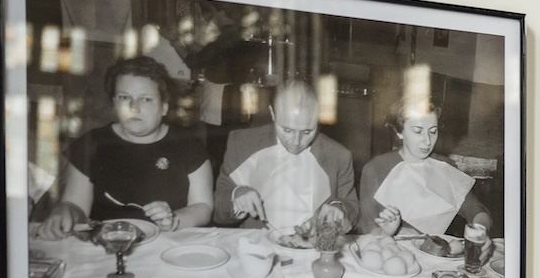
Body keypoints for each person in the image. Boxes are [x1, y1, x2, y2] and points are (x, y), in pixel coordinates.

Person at [39, 55, 214, 237]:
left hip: (169, 244)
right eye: (124, 97)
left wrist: (175, 220)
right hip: (106, 244)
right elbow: (75, 205)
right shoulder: (91, 143)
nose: (133, 108)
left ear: (163, 107)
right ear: (115, 104)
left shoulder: (189, 146)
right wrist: (64, 211)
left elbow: (203, 206)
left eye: (146, 99)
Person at [211, 80, 356, 236]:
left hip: (313, 249)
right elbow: (218, 212)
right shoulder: (242, 143)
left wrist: (339, 208)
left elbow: (352, 207)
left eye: (307, 132)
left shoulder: (339, 155)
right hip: (257, 246)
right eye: (287, 130)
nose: (296, 142)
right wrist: (237, 195)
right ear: (272, 113)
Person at [359, 98, 493, 239]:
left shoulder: (444, 166)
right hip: (388, 251)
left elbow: (476, 210)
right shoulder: (376, 168)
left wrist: (480, 231)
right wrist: (388, 231)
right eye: (418, 131)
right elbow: (365, 226)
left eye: (433, 131)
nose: (427, 141)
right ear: (399, 132)